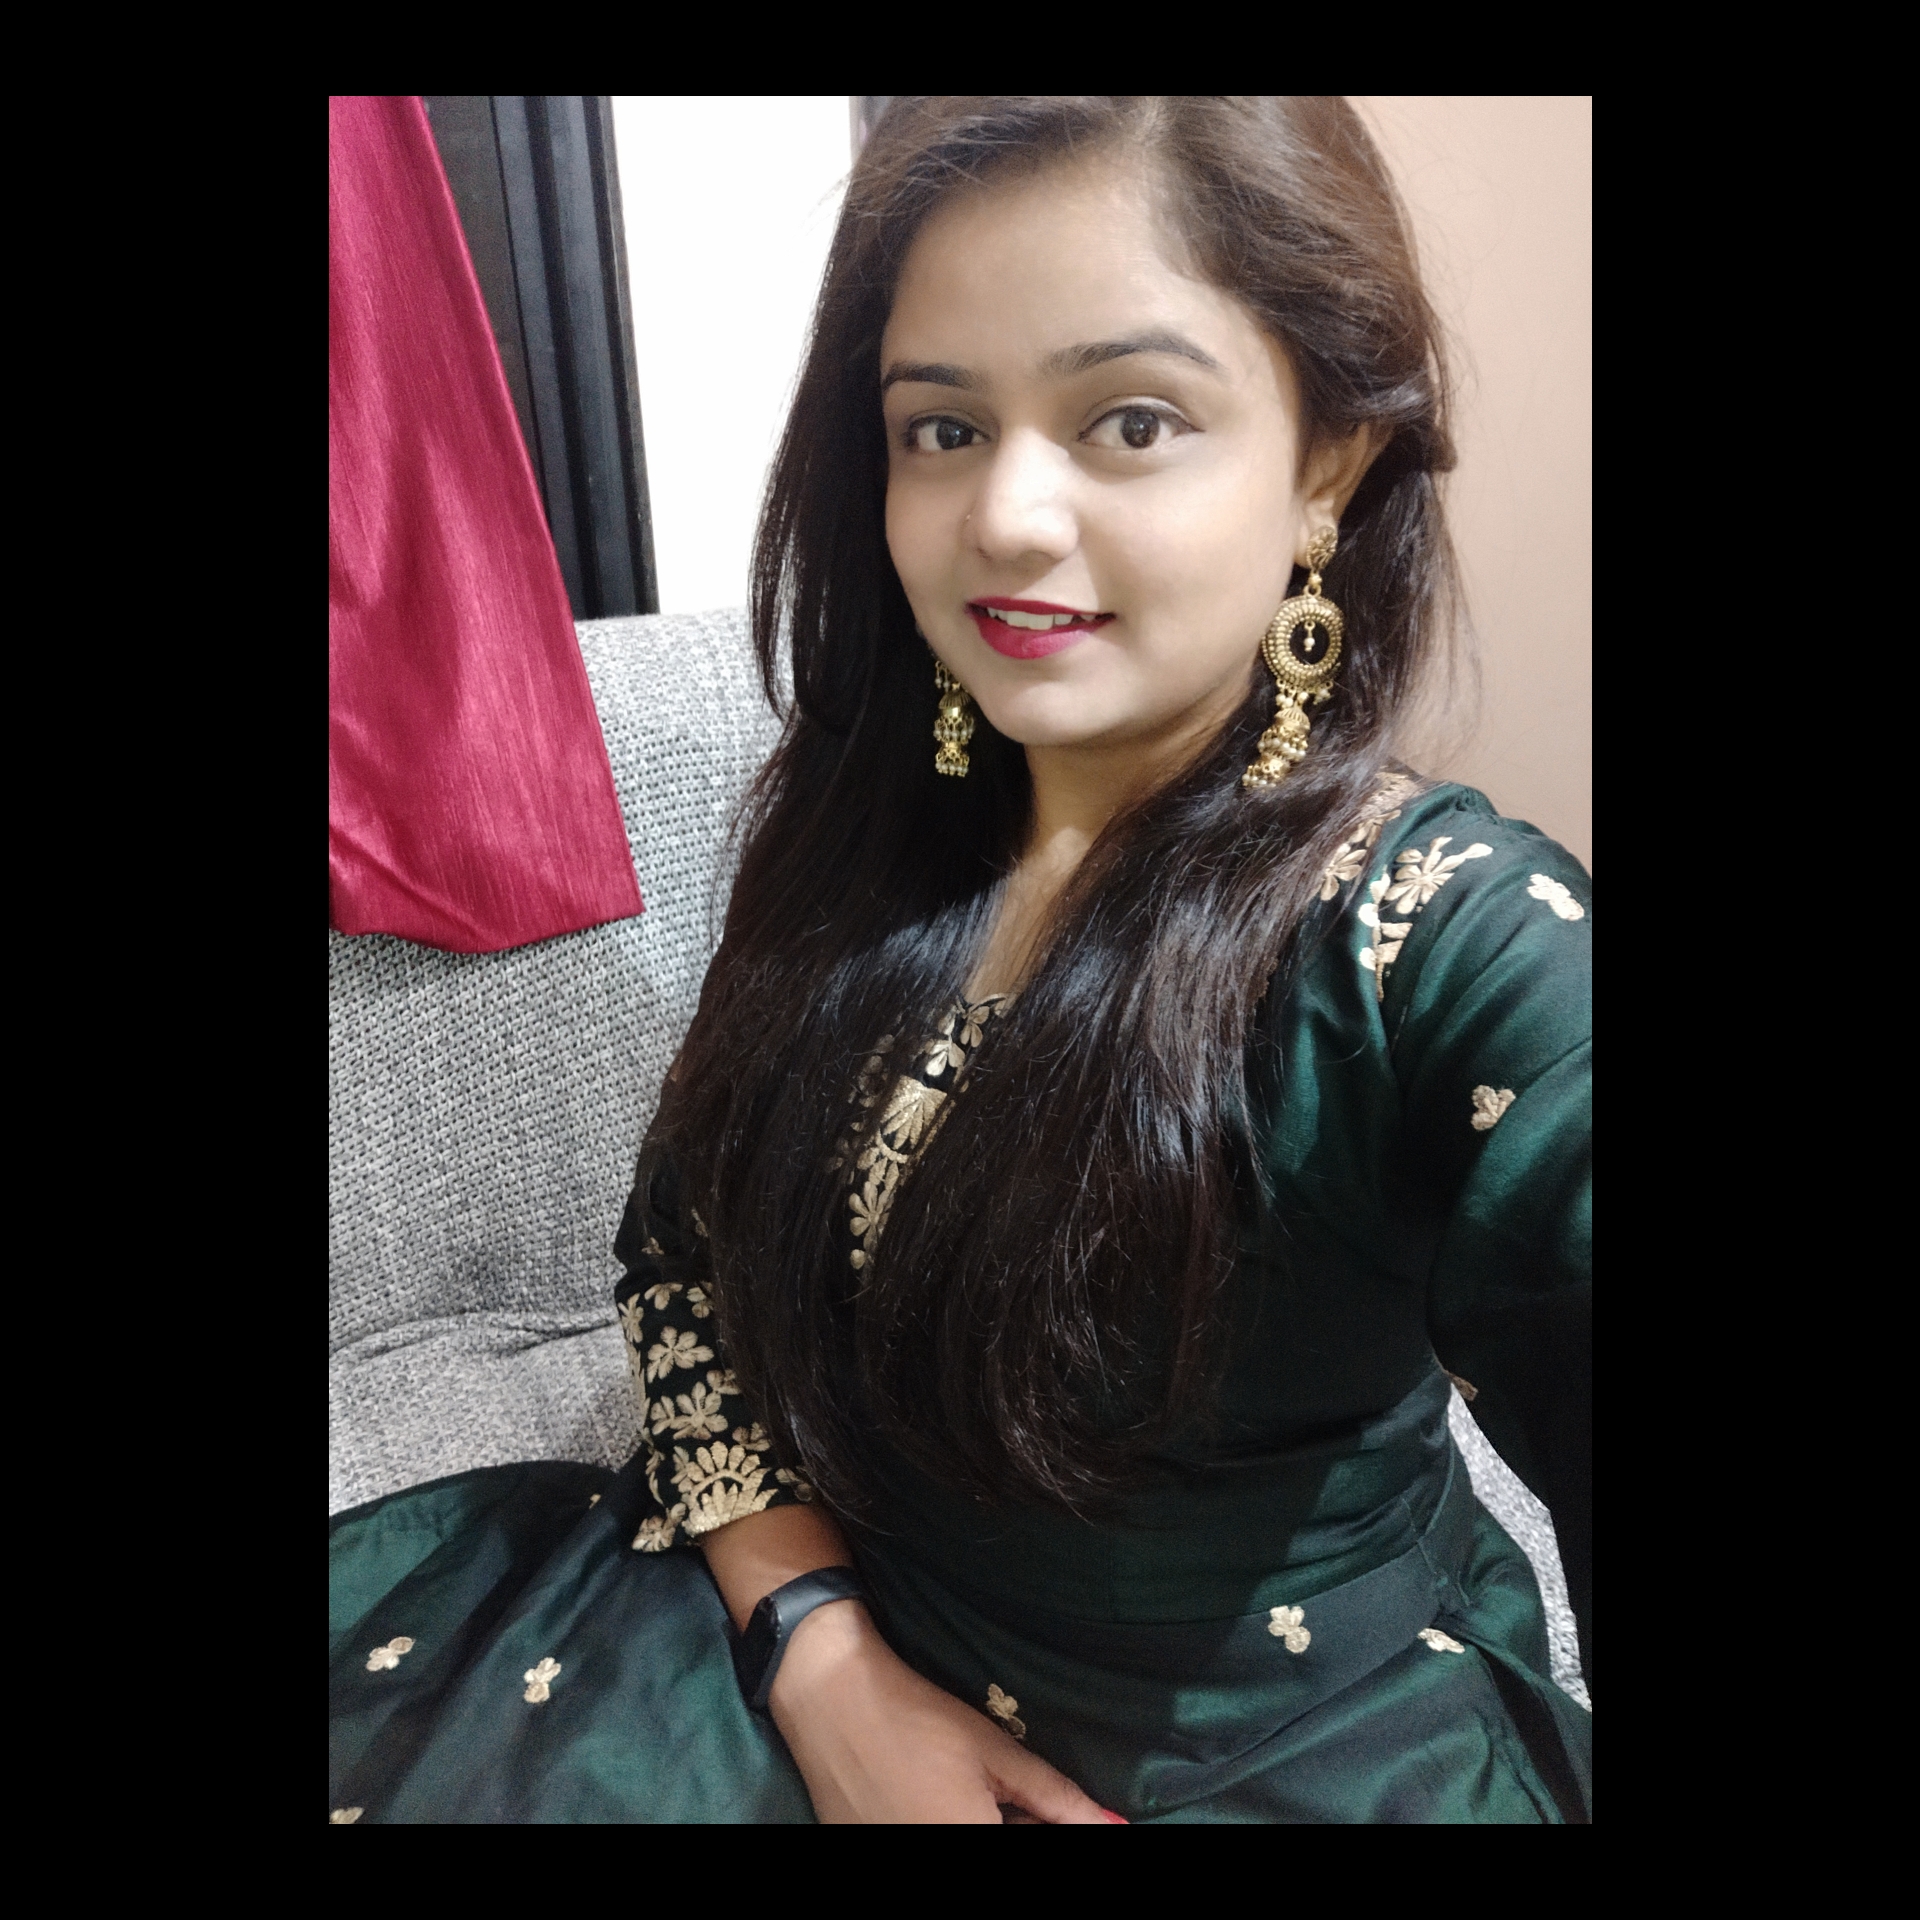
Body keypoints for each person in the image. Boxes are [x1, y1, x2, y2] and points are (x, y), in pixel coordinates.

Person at [329, 95, 1592, 1825]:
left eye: (1130, 419)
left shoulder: (1441, 943)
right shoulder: (863, 840)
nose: (1003, 515)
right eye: (941, 427)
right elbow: (684, 1267)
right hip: (776, 1657)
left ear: (1329, 458)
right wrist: (823, 1657)